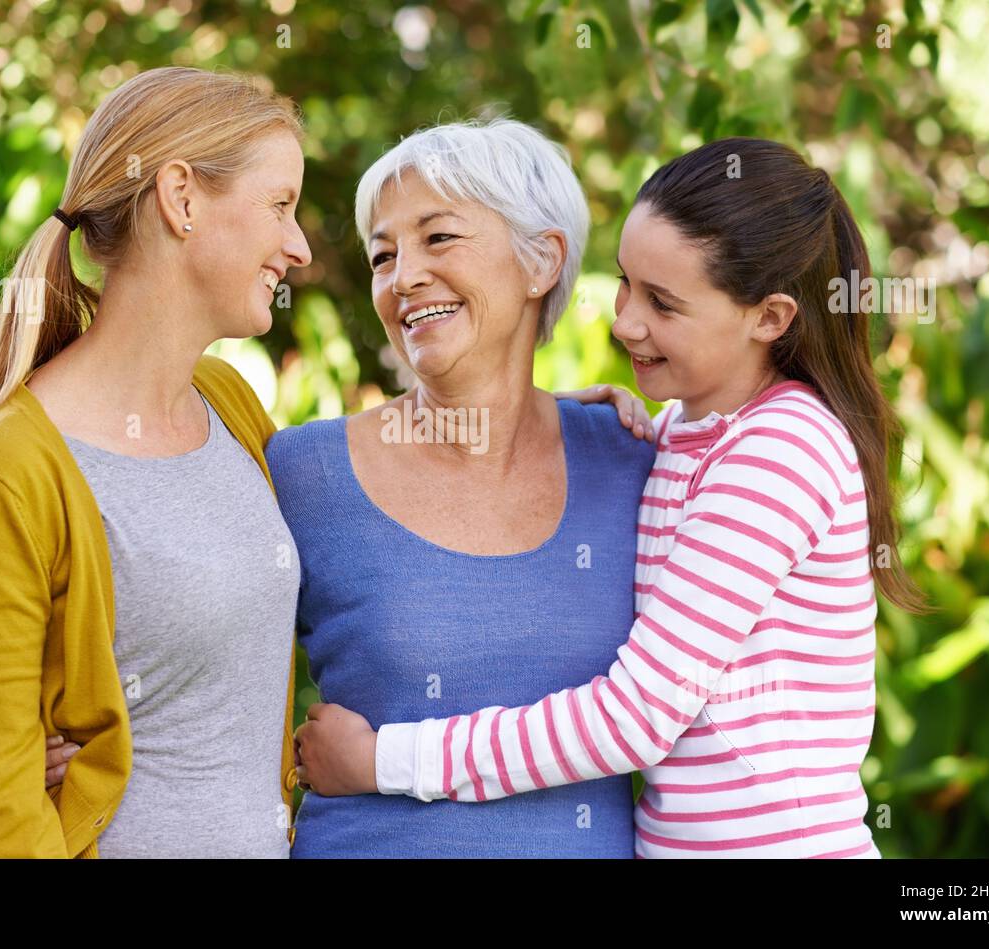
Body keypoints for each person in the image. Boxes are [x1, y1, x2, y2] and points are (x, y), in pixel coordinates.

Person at [295, 137, 927, 858]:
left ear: (770, 317)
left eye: (663, 303)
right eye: (626, 284)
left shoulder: (782, 448)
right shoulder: (680, 437)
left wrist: (383, 759)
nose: (625, 321)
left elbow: (638, 714)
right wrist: (540, 417)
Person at [0, 66, 311, 857]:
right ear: (182, 198)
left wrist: (542, 416)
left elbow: (374, 501)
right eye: (281, 206)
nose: (298, 247)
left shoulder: (228, 404)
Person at [266, 119, 659, 857]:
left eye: (438, 238)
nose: (403, 277)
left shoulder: (632, 460)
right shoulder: (303, 471)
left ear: (541, 260)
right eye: (384, 255)